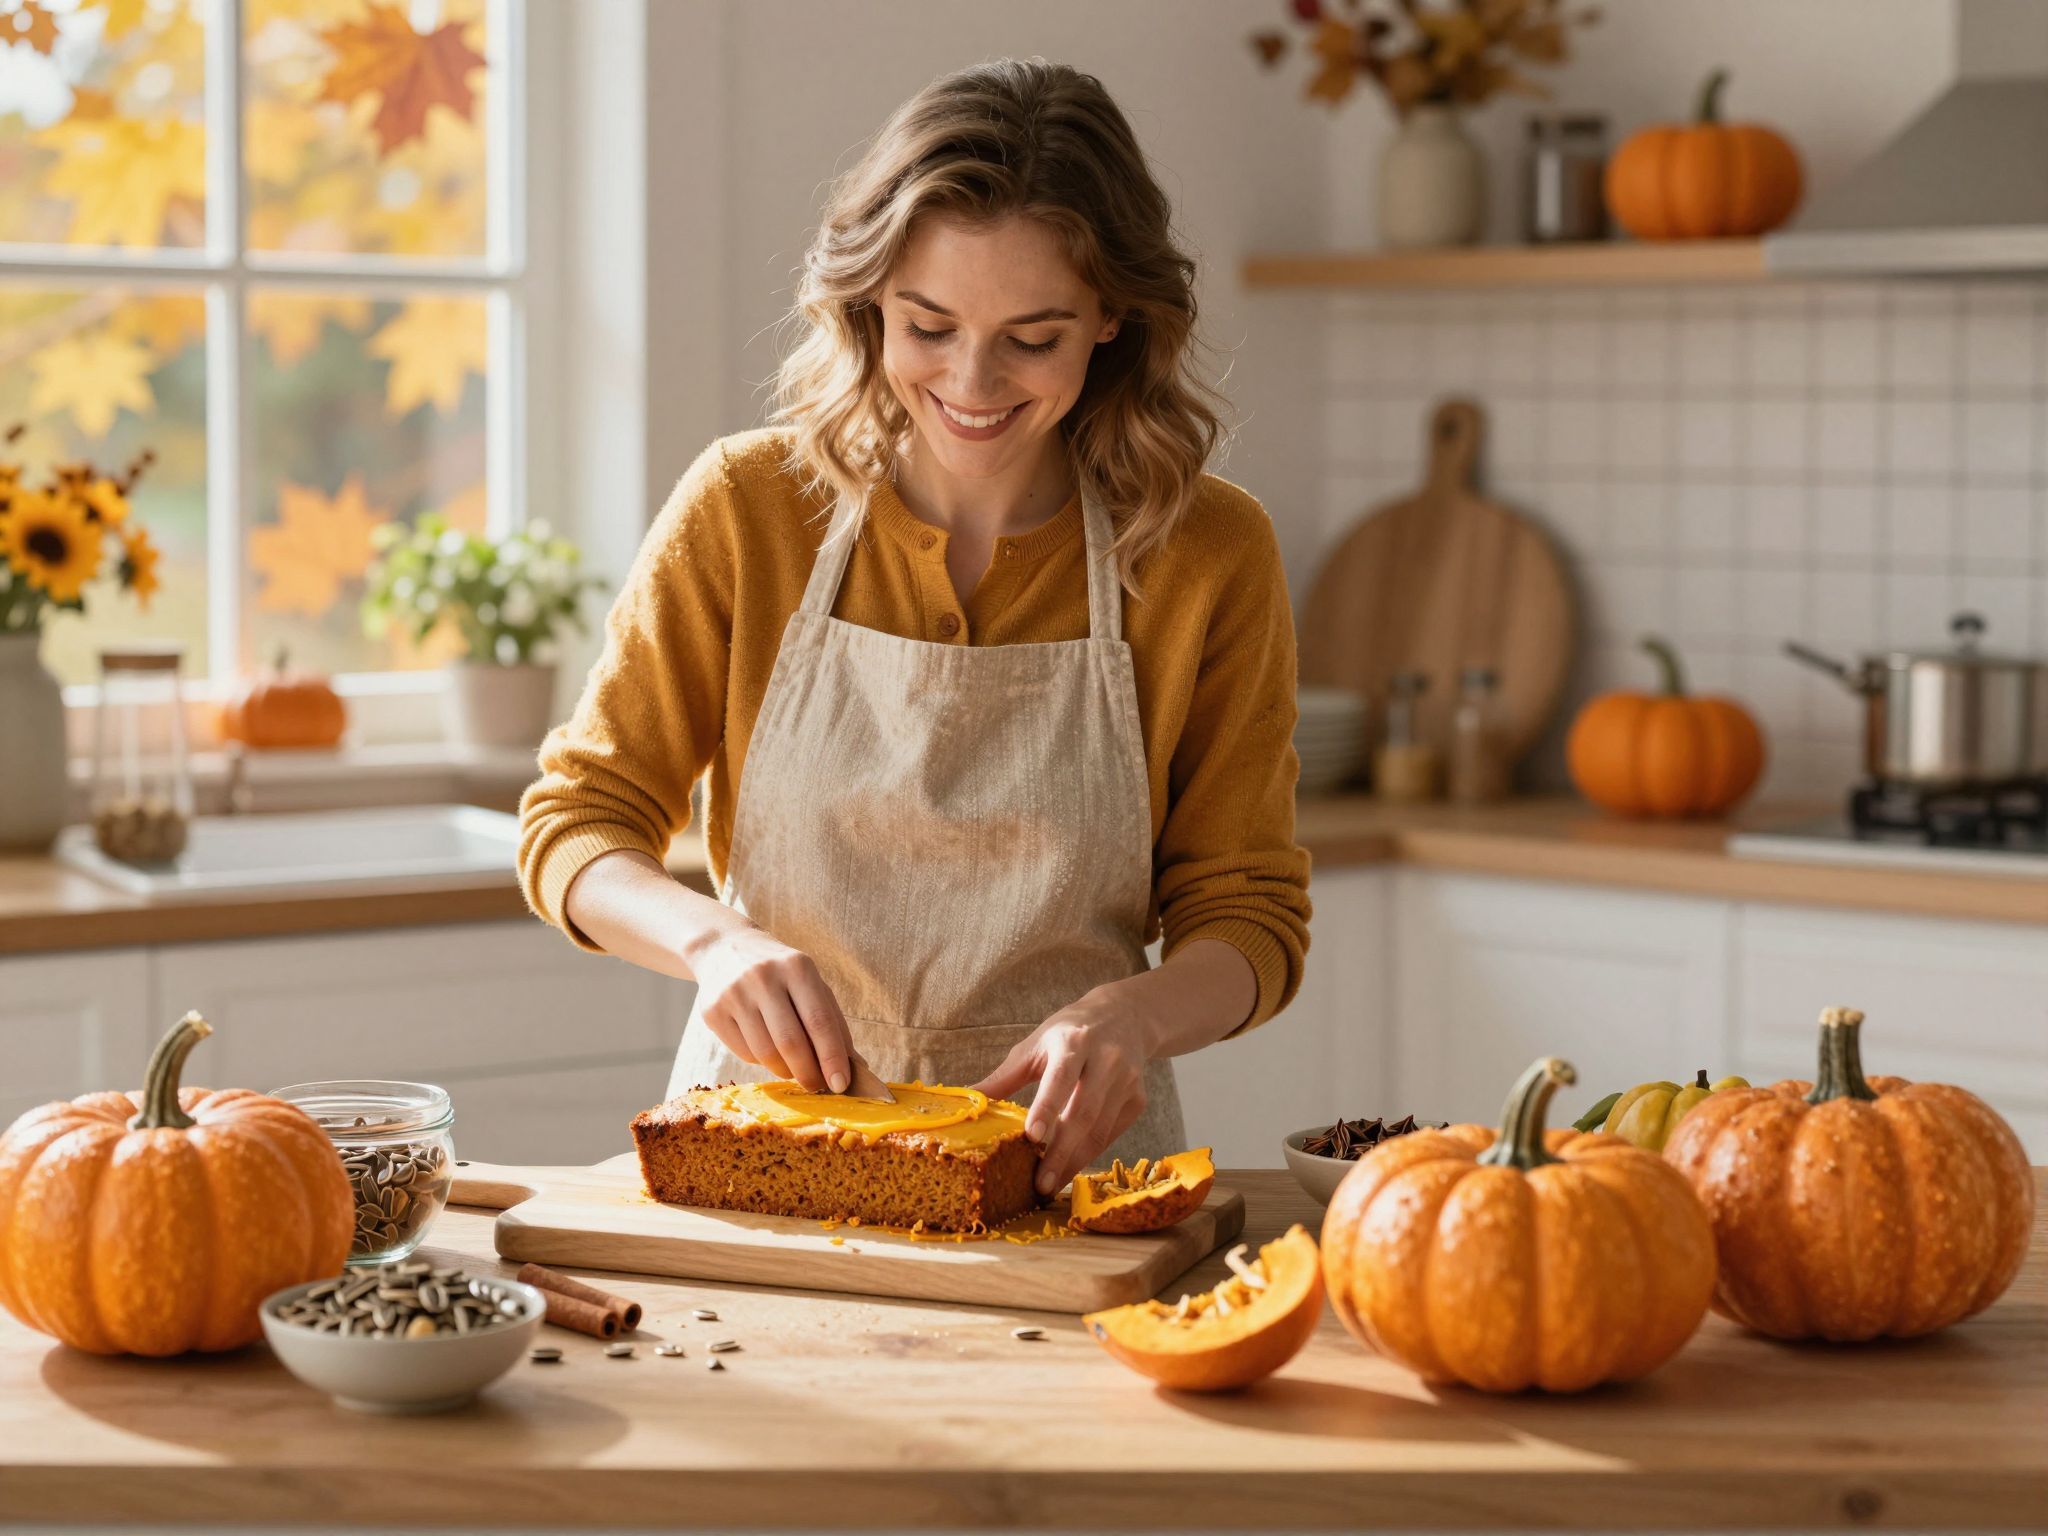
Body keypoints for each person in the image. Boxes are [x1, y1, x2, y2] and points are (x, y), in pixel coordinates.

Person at [518, 59, 1310, 1199]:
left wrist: (1133, 1018)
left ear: (1112, 319)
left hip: (1064, 1178)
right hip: (766, 1156)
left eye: (1033, 338)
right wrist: (712, 942)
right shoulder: (749, 510)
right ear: (869, 301)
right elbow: (577, 821)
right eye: (928, 325)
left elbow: (1249, 912)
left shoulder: (1206, 553)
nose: (971, 382)